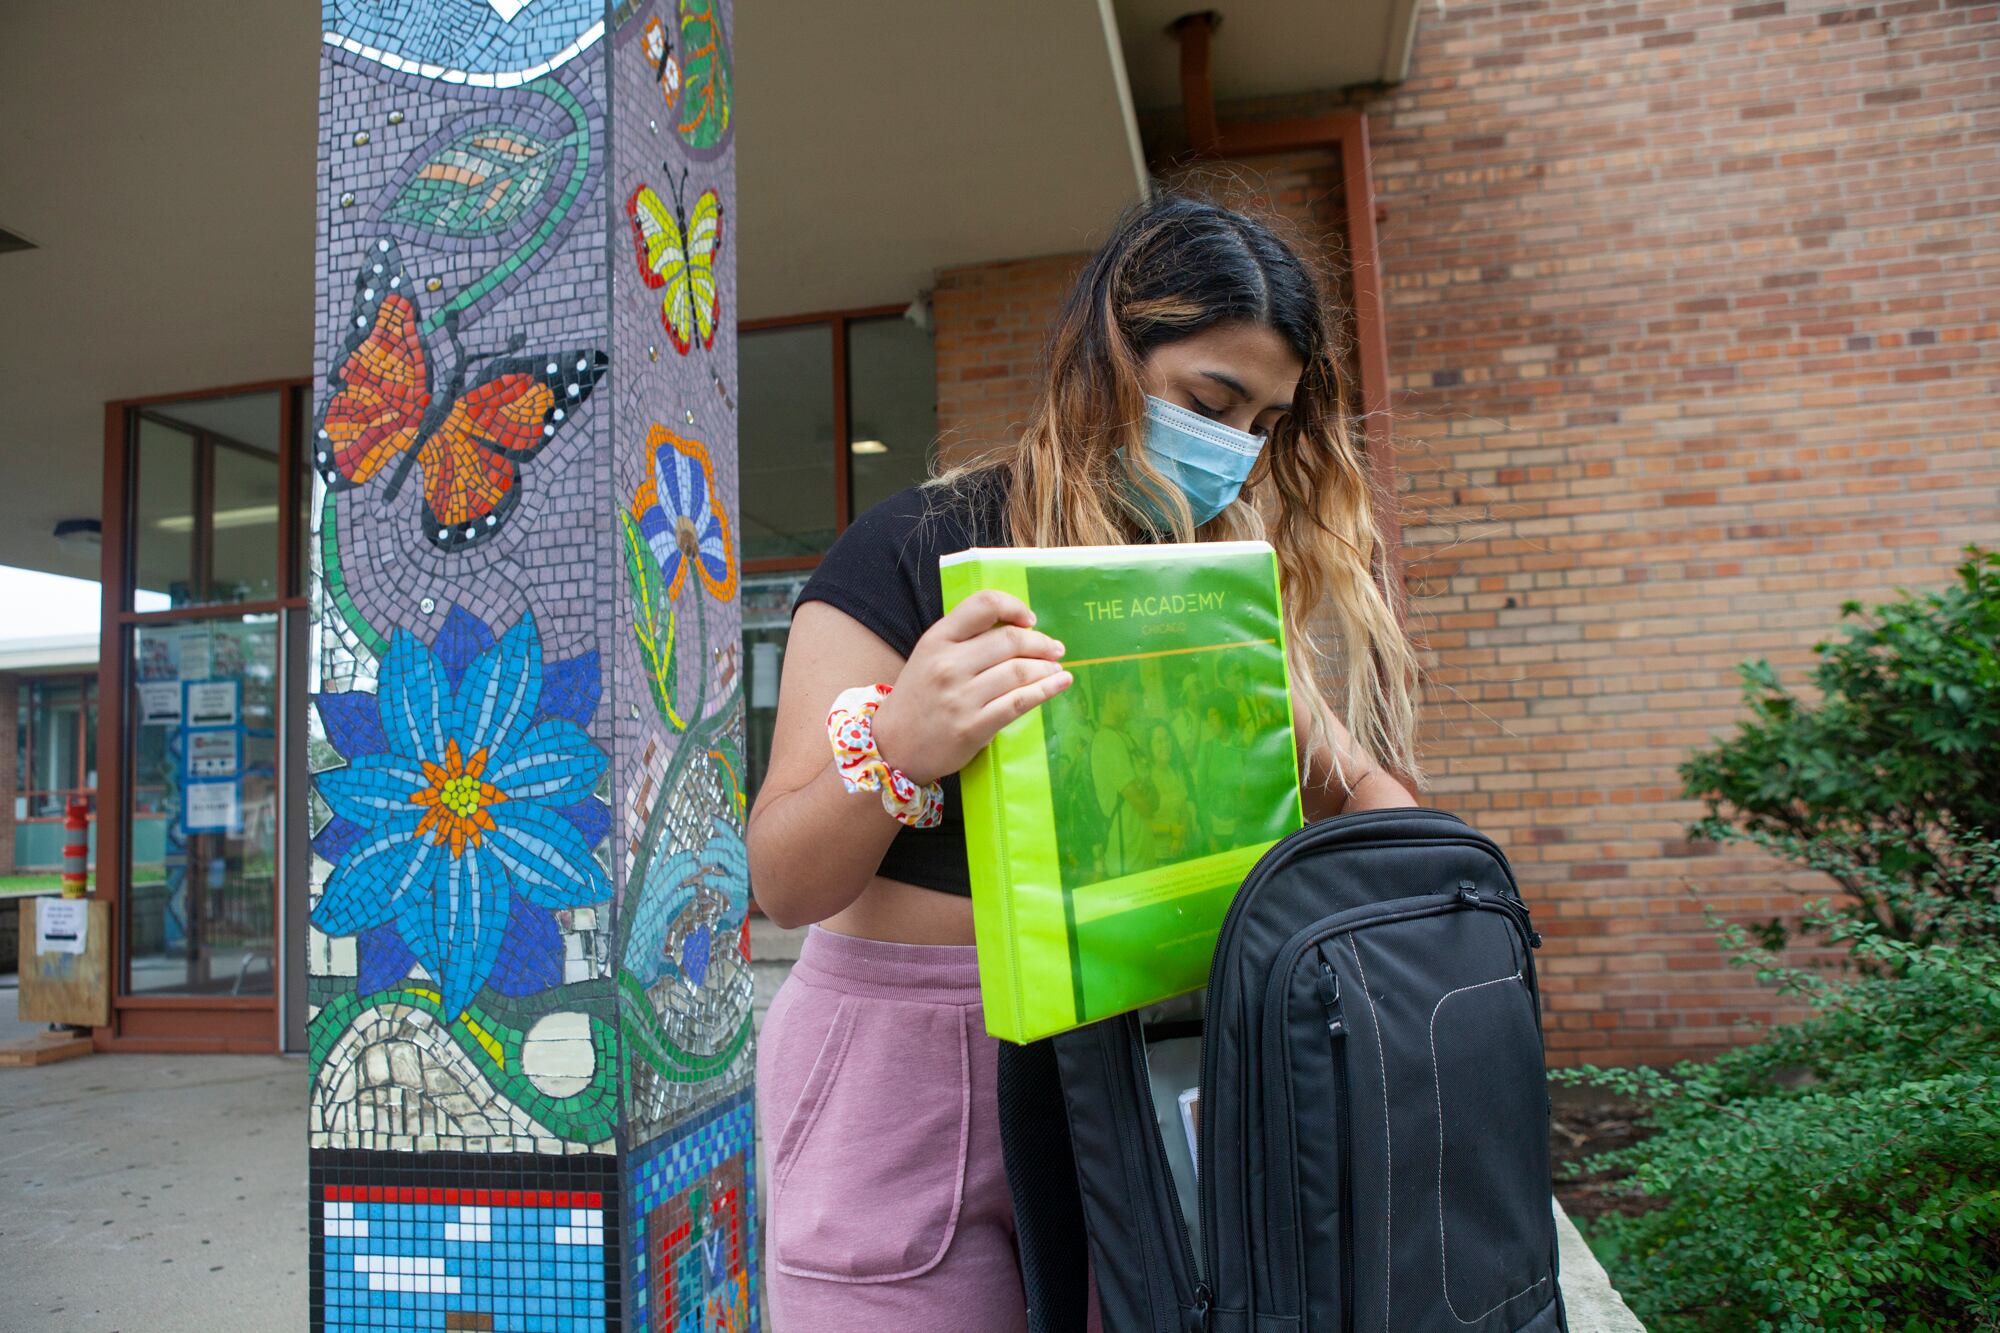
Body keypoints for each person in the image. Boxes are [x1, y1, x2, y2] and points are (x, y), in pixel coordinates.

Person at [746, 191, 1424, 1333]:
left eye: (1263, 423)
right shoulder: (914, 546)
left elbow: (1357, 787)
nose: (1235, 450)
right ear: (1107, 354)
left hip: (1140, 1053)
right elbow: (782, 879)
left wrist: (1416, 907)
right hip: (904, 1064)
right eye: (1208, 403)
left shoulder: (1206, 583)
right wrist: (903, 743)